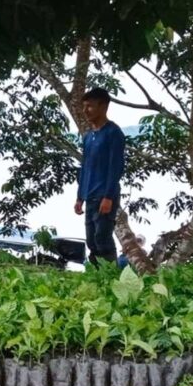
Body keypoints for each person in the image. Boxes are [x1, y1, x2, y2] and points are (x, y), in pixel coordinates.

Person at [74, 88, 126, 265]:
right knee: (91, 240)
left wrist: (108, 197)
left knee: (102, 238)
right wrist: (80, 197)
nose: (85, 110)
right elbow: (85, 167)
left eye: (90, 106)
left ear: (103, 106)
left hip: (104, 195)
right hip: (89, 195)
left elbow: (116, 167)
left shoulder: (113, 133)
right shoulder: (88, 137)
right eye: (84, 106)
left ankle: (110, 273)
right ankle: (96, 273)